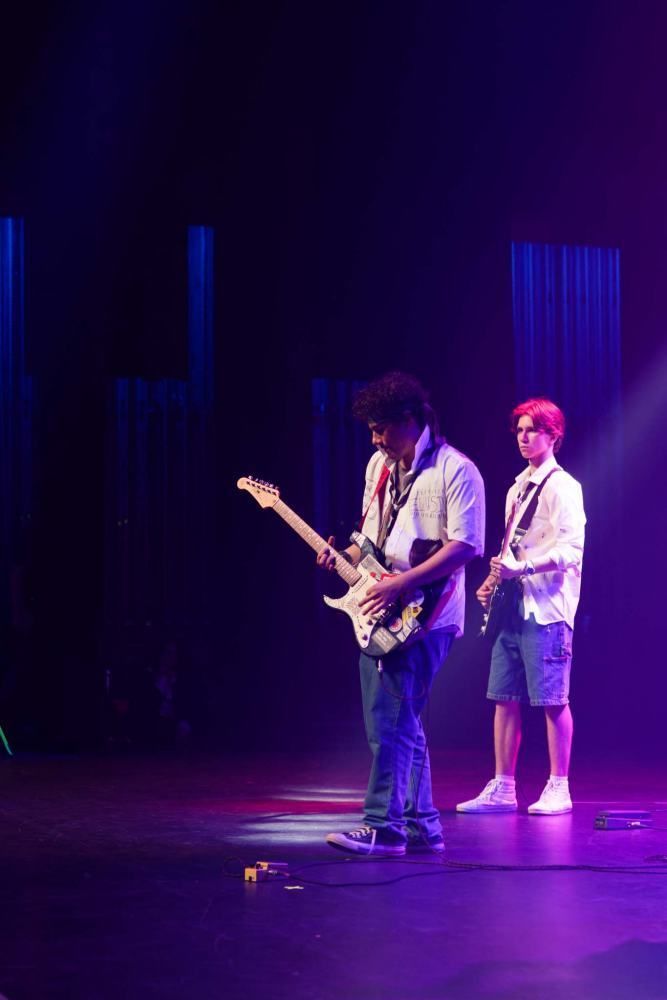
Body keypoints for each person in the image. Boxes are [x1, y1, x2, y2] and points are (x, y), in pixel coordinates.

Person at [317, 371, 485, 856]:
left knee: (389, 719)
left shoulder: (456, 470)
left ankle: (384, 827)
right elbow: (368, 540)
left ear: (410, 421)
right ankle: (423, 827)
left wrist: (403, 583)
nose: (374, 439)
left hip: (427, 613)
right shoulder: (378, 467)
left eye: (381, 428)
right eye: (370, 429)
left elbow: (466, 545)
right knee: (402, 718)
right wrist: (343, 557)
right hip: (385, 604)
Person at [456, 398, 585, 817]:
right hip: (512, 606)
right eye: (519, 430)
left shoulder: (564, 486)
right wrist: (493, 581)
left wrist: (522, 568)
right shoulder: (517, 487)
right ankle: (504, 787)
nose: (524, 437)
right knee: (503, 696)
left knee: (552, 699)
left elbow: (571, 549)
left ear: (554, 435)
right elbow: (510, 545)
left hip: (547, 606)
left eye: (533, 430)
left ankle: (559, 786)